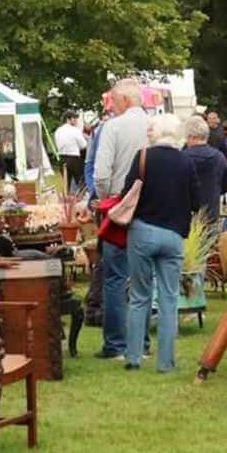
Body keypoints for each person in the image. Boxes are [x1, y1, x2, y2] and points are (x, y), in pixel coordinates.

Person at [119, 114, 204, 372]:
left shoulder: (143, 156)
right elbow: (196, 202)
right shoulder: (186, 162)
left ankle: (133, 357)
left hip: (142, 231)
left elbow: (126, 194)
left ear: (156, 133)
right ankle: (166, 362)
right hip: (173, 236)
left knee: (139, 296)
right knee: (168, 298)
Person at [90, 78, 150, 361]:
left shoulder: (112, 127)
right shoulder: (154, 127)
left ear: (124, 101)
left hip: (119, 205)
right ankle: (143, 343)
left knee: (114, 277)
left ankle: (116, 344)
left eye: (113, 102)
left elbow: (101, 173)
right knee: (142, 277)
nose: (111, 107)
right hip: (150, 207)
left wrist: (106, 200)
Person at [182, 115, 227, 224]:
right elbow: (224, 187)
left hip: (186, 215)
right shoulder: (219, 157)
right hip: (211, 214)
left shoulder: (181, 158)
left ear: (191, 137)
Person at [54, 114, 88, 189]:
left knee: (66, 184)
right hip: (74, 158)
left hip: (62, 158)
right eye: (74, 118)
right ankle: (82, 199)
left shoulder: (58, 131)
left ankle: (67, 198)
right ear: (68, 119)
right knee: (81, 182)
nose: (76, 120)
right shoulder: (75, 130)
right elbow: (83, 145)